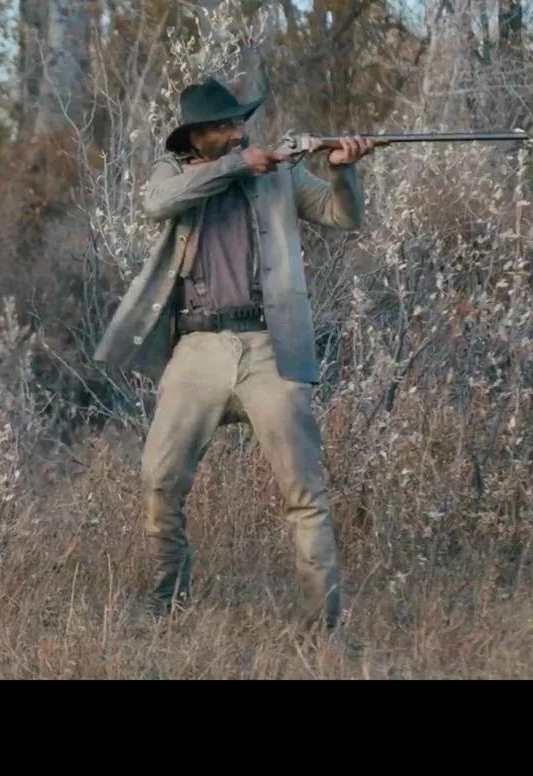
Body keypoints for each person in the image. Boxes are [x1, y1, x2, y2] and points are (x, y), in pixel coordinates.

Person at [93, 76, 383, 631]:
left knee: (306, 491)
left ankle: (322, 627)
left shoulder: (277, 174)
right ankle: (167, 603)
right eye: (223, 127)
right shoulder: (174, 173)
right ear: (195, 137)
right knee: (159, 480)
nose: (236, 132)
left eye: (238, 123)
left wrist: (345, 171)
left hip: (266, 344)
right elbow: (159, 203)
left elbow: (343, 217)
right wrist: (235, 164)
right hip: (196, 346)